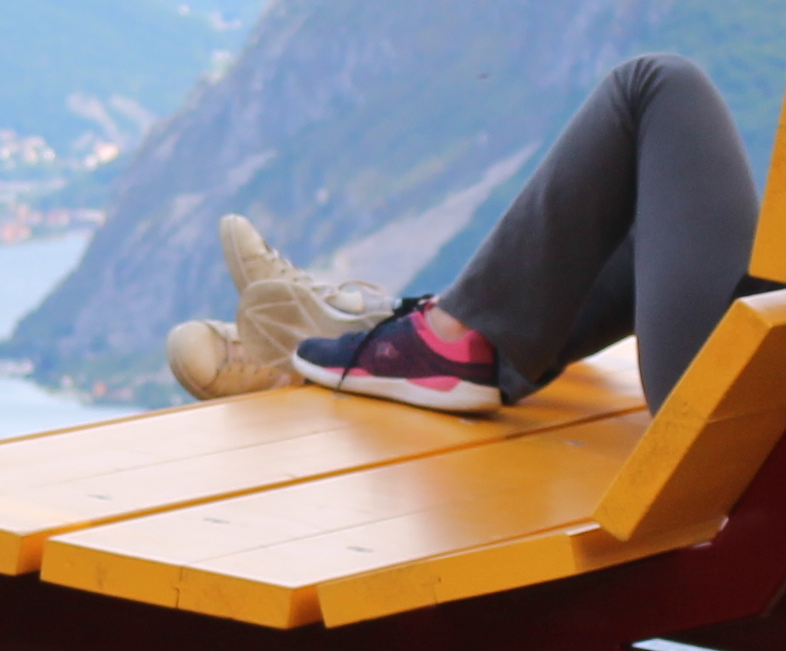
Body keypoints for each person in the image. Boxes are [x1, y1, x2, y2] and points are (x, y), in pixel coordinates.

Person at [167, 53, 756, 417]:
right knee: (648, 224)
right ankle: (412, 333)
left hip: (757, 416)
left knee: (656, 86)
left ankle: (429, 340)